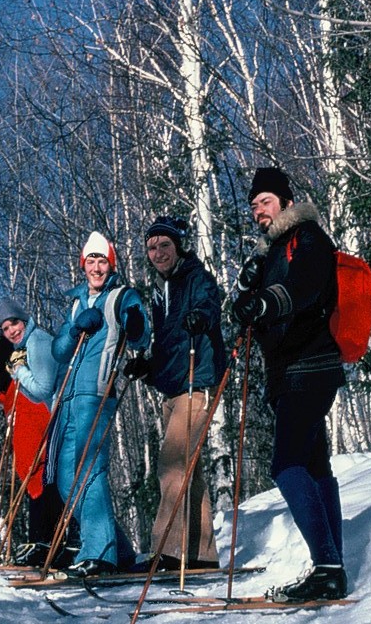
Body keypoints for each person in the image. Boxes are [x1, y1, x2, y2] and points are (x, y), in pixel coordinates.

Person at [231, 167, 348, 600]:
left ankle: (328, 566)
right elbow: (250, 309)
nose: (259, 210)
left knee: (287, 465)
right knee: (315, 466)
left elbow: (308, 289)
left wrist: (263, 302)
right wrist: (246, 307)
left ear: (284, 200)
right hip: (288, 371)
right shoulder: (269, 252)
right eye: (254, 205)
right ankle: (331, 566)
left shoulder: (308, 236)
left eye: (265, 201)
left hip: (310, 365)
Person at [125, 216, 224, 571]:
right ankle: (200, 554)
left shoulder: (194, 278)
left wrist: (200, 316)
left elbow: (210, 306)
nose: (157, 253)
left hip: (196, 384)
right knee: (188, 471)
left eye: (164, 245)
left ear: (179, 245)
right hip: (174, 386)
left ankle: (167, 550)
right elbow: (170, 346)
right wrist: (148, 367)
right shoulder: (161, 290)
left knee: (171, 467)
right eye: (151, 248)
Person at [50, 231, 151, 577]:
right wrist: (74, 329)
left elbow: (140, 335)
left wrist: (135, 323)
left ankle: (100, 554)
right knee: (66, 480)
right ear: (83, 265)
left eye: (102, 260)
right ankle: (117, 550)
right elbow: (60, 352)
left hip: (97, 394)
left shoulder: (121, 296)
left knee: (90, 472)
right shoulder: (77, 302)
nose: (96, 267)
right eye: (91, 260)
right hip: (69, 397)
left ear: (112, 264)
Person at [0, 303, 70, 568]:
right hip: (18, 415)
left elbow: (27, 377)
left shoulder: (4, 348)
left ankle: (46, 541)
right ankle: (44, 541)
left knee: (36, 471)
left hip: (31, 411)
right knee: (30, 472)